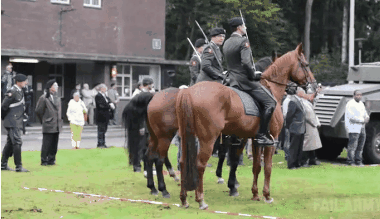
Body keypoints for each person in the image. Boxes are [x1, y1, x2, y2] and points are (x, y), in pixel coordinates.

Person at [223, 17, 277, 145]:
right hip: (244, 80)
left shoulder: (226, 42)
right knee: (271, 102)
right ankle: (262, 135)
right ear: (239, 27)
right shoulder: (243, 41)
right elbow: (246, 63)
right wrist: (253, 75)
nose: (245, 28)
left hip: (231, 80)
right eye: (244, 26)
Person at [1, 74, 29, 172]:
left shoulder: (19, 91)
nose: (26, 83)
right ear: (19, 82)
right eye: (25, 81)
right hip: (12, 121)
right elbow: (3, 106)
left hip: (16, 120)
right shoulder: (12, 91)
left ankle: (3, 165)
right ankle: (18, 166)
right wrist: (5, 118)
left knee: (10, 143)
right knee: (17, 142)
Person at [35, 79, 63, 166]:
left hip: (56, 125)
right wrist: (44, 120)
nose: (57, 87)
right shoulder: (44, 98)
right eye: (55, 85)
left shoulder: (57, 98)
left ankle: (51, 159)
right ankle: (44, 160)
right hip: (48, 124)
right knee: (46, 144)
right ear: (50, 87)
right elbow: (38, 111)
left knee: (54, 144)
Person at [345, 90, 369, 166]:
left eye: (360, 95)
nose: (359, 96)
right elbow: (351, 117)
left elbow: (365, 113)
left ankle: (358, 160)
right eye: (357, 95)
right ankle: (350, 161)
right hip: (353, 127)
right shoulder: (350, 104)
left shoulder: (361, 103)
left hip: (362, 127)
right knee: (353, 145)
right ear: (354, 95)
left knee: (360, 145)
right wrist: (362, 120)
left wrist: (367, 117)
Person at [299, 89, 322, 166]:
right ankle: (304, 161)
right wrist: (315, 123)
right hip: (308, 125)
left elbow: (313, 114)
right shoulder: (303, 103)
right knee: (307, 144)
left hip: (312, 125)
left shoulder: (308, 103)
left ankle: (312, 159)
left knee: (313, 144)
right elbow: (308, 116)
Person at [285, 87, 306, 169]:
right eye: (302, 92)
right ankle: (291, 164)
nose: (304, 94)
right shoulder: (293, 101)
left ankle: (297, 162)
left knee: (299, 147)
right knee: (294, 146)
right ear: (298, 93)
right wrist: (288, 125)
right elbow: (289, 115)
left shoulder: (300, 101)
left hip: (301, 127)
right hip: (295, 127)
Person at [95, 84, 115, 148]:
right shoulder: (98, 96)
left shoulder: (105, 96)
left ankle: (103, 143)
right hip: (101, 115)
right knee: (101, 129)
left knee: (104, 130)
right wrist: (109, 106)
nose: (106, 90)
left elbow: (109, 101)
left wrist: (111, 104)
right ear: (101, 88)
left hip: (106, 115)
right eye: (105, 88)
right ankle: (100, 143)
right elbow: (101, 105)